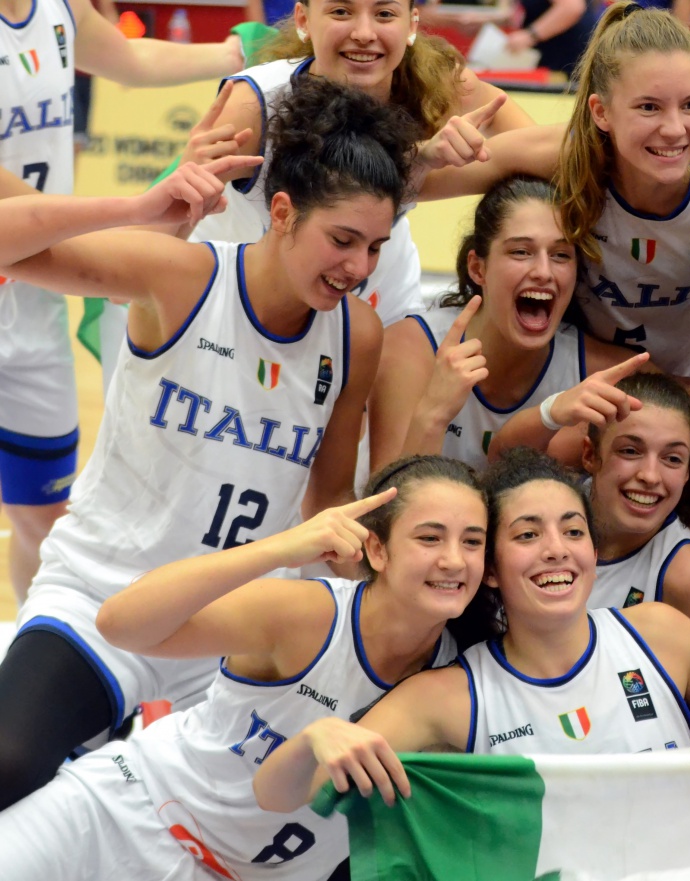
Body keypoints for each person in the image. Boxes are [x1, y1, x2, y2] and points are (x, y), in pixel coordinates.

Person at [0, 78, 411, 812]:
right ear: (281, 213)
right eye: (342, 239)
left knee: (295, 817)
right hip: (103, 593)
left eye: (375, 247)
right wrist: (138, 209)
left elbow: (328, 497)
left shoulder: (357, 334)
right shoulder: (184, 277)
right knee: (9, 763)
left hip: (233, 624)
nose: (358, 267)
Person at [252, 448, 690, 812]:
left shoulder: (660, 635)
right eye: (528, 534)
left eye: (573, 531)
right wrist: (314, 738)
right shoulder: (448, 696)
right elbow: (277, 796)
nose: (557, 550)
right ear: (489, 570)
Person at [0, 456, 485, 880]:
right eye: (429, 537)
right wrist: (282, 547)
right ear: (377, 550)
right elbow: (119, 624)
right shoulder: (311, 615)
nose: (453, 560)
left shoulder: (463, 677)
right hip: (130, 810)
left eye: (473, 542)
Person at [166, 0, 536, 471]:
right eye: (342, 11)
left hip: (377, 296)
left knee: (390, 476)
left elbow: (545, 146)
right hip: (246, 311)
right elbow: (154, 241)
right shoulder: (255, 103)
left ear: (412, 24)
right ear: (304, 19)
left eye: (384, 14)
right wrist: (183, 188)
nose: (364, 32)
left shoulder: (432, 82)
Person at [0, 0, 245, 604]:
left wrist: (236, 53)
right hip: (28, 247)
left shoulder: (56, 7)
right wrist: (134, 217)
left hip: (31, 303)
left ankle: (33, 637)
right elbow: (13, 211)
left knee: (43, 514)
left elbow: (130, 58)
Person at [416, 2, 690, 381]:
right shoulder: (562, 157)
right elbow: (404, 185)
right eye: (649, 107)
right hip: (580, 387)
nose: (674, 129)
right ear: (601, 112)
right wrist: (425, 155)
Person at [490, 371, 690, 658]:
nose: (650, 476)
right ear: (590, 455)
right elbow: (502, 464)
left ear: (687, 472)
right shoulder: (552, 500)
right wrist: (552, 411)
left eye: (672, 458)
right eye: (630, 451)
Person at [408, 175, 642, 471]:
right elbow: (386, 495)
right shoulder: (414, 344)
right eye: (521, 252)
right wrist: (433, 415)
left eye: (560, 255)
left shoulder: (600, 369)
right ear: (478, 268)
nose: (543, 272)